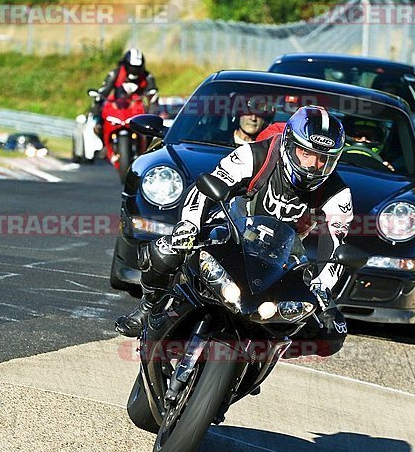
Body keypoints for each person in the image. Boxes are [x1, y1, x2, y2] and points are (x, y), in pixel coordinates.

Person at [116, 105, 354, 356]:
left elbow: (336, 241)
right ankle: (149, 308)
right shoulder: (254, 156)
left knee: (333, 332)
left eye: (323, 159)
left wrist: (321, 286)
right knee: (165, 251)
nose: (314, 165)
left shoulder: (338, 193)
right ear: (289, 144)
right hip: (229, 230)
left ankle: (264, 354)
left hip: (281, 256)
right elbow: (204, 188)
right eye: (306, 153)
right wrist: (189, 226)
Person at [90, 48, 157, 122]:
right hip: (116, 109)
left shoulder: (147, 77)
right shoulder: (115, 74)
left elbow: (152, 95)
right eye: (132, 67)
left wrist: (151, 116)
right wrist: (95, 113)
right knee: (99, 116)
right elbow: (103, 92)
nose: (134, 70)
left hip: (137, 112)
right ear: (126, 64)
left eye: (137, 68)